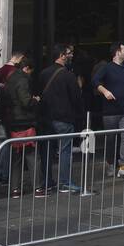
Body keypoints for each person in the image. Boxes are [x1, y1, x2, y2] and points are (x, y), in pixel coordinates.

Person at [36, 44, 82, 195]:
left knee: (47, 151)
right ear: (62, 55)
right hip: (63, 118)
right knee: (65, 151)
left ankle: (47, 181)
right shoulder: (68, 75)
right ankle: (64, 182)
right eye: (69, 53)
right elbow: (76, 98)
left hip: (46, 118)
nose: (71, 56)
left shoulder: (43, 73)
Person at [94, 43, 124, 180]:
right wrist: (105, 91)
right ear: (118, 53)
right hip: (111, 110)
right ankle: (110, 164)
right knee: (111, 138)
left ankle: (123, 167)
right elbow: (95, 81)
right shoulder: (106, 68)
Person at [0, 56, 38, 195]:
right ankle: (37, 187)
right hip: (23, 120)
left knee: (16, 155)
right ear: (26, 68)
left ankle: (15, 188)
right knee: (31, 154)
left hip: (12, 120)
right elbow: (25, 101)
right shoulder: (23, 79)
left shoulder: (10, 78)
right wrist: (35, 100)